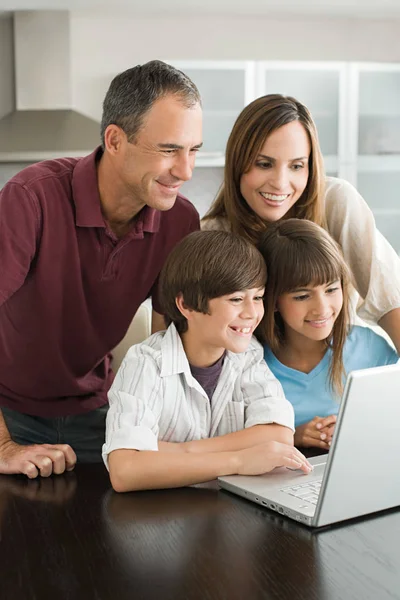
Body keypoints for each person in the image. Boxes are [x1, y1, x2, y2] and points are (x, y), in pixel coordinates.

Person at [0, 60, 202, 478]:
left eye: (193, 150)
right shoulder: (29, 199)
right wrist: (2, 447)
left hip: (100, 411)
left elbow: (171, 339)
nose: (185, 171)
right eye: (169, 150)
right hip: (8, 414)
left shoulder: (181, 221)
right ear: (114, 140)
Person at [103, 230, 312, 491]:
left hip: (227, 514)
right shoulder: (145, 363)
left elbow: (279, 437)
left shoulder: (247, 355)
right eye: (236, 299)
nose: (252, 313)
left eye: (257, 297)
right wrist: (239, 460)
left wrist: (177, 452)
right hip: (159, 517)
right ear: (187, 305)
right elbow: (125, 472)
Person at [201, 94, 400, 353]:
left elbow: (389, 298)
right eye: (264, 164)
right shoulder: (215, 234)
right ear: (238, 163)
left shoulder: (336, 201)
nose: (281, 183)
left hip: (335, 368)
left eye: (296, 166)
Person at [256, 219, 398, 450]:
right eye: (302, 296)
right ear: (272, 301)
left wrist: (355, 429)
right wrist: (294, 436)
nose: (322, 309)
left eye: (331, 289)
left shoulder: (371, 349)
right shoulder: (252, 363)